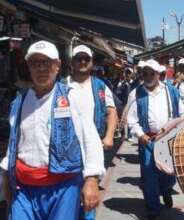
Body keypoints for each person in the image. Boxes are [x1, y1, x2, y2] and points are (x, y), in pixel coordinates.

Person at [0, 40, 106, 219]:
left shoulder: (72, 97)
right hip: (24, 188)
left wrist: (92, 179)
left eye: (47, 62)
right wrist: (6, 180)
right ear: (29, 67)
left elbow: (90, 139)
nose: (41, 68)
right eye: (36, 63)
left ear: (57, 66)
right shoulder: (19, 102)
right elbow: (14, 142)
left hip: (63, 188)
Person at [126, 59, 184, 220]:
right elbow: (131, 119)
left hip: (170, 140)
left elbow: (182, 112)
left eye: (152, 73)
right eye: (145, 73)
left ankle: (166, 191)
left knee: (169, 175)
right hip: (148, 141)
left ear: (158, 74)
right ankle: (153, 209)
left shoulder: (171, 91)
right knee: (149, 177)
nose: (148, 76)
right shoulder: (135, 93)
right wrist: (139, 133)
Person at [69, 45, 118, 151]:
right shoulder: (62, 85)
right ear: (72, 61)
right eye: (78, 58)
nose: (83, 62)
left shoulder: (101, 86)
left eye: (86, 59)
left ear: (91, 62)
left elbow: (112, 111)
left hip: (95, 144)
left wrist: (109, 136)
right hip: (68, 145)